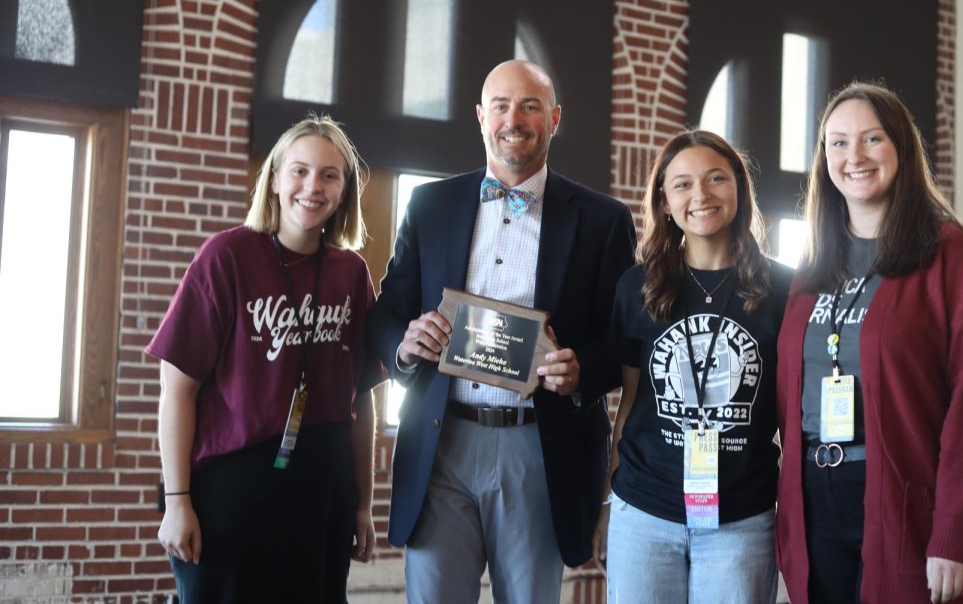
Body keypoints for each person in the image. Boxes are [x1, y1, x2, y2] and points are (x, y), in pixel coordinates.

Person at [367, 59, 636, 603]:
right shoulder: (430, 204)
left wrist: (580, 369)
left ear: (554, 119)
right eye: (501, 105)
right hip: (442, 442)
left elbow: (623, 339)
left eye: (530, 106)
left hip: (541, 444)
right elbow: (386, 314)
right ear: (480, 117)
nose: (514, 119)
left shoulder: (603, 219)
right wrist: (404, 345)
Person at [775, 82, 963, 604]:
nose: (853, 156)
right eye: (837, 142)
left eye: (871, 138)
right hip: (817, 500)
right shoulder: (813, 266)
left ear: (901, 145)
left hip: (909, 501)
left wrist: (953, 532)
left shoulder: (950, 252)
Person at [147, 115, 386, 602]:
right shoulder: (226, 257)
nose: (312, 187)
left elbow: (363, 401)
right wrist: (177, 501)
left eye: (329, 175)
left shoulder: (351, 273)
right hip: (232, 487)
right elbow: (177, 390)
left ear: (344, 192)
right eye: (299, 171)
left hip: (323, 487)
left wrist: (362, 504)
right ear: (274, 179)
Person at [593, 129, 792, 604]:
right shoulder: (637, 287)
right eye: (682, 184)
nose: (700, 195)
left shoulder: (785, 290)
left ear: (739, 190)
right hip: (644, 513)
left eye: (715, 179)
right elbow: (629, 405)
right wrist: (607, 504)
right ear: (664, 201)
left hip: (742, 520)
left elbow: (791, 413)